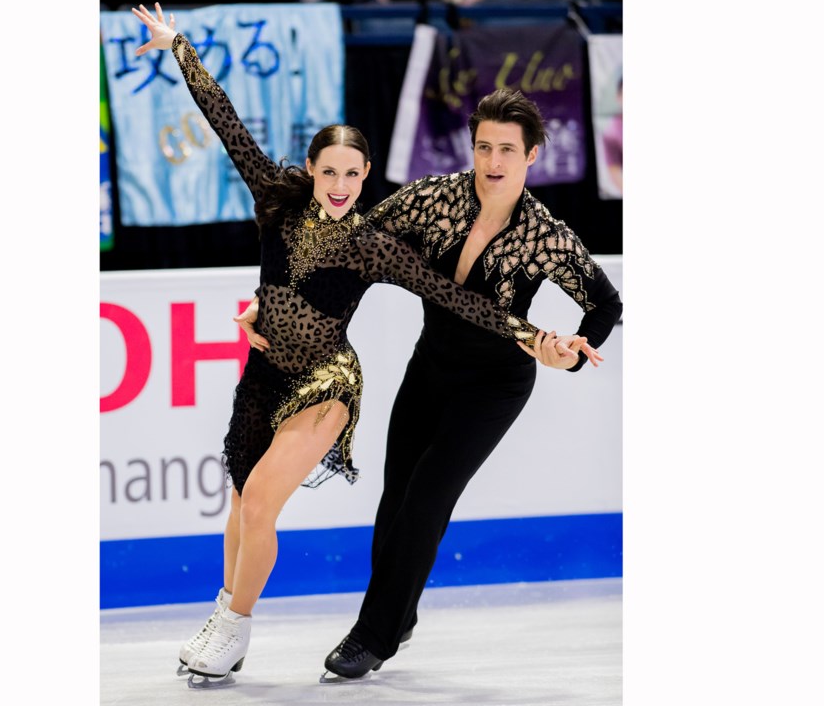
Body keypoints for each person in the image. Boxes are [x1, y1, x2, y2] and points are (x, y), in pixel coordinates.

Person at [128, 4, 596, 684]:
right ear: (312, 170)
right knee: (238, 510)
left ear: (366, 174)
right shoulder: (275, 201)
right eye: (330, 173)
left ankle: (233, 629)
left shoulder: (374, 247)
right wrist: (178, 46)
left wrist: (531, 335)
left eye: (354, 175)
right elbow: (223, 119)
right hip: (263, 377)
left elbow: (458, 299)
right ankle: (223, 612)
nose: (342, 186)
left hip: (326, 385)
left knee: (259, 503)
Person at [237, 88, 622, 679]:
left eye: (507, 151)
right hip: (431, 365)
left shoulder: (545, 234)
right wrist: (273, 306)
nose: (493, 161)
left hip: (494, 385)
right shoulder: (434, 198)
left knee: (426, 502)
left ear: (533, 156)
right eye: (483, 147)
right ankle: (401, 613)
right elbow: (351, 248)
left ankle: (373, 637)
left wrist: (567, 354)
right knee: (395, 504)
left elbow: (605, 304)